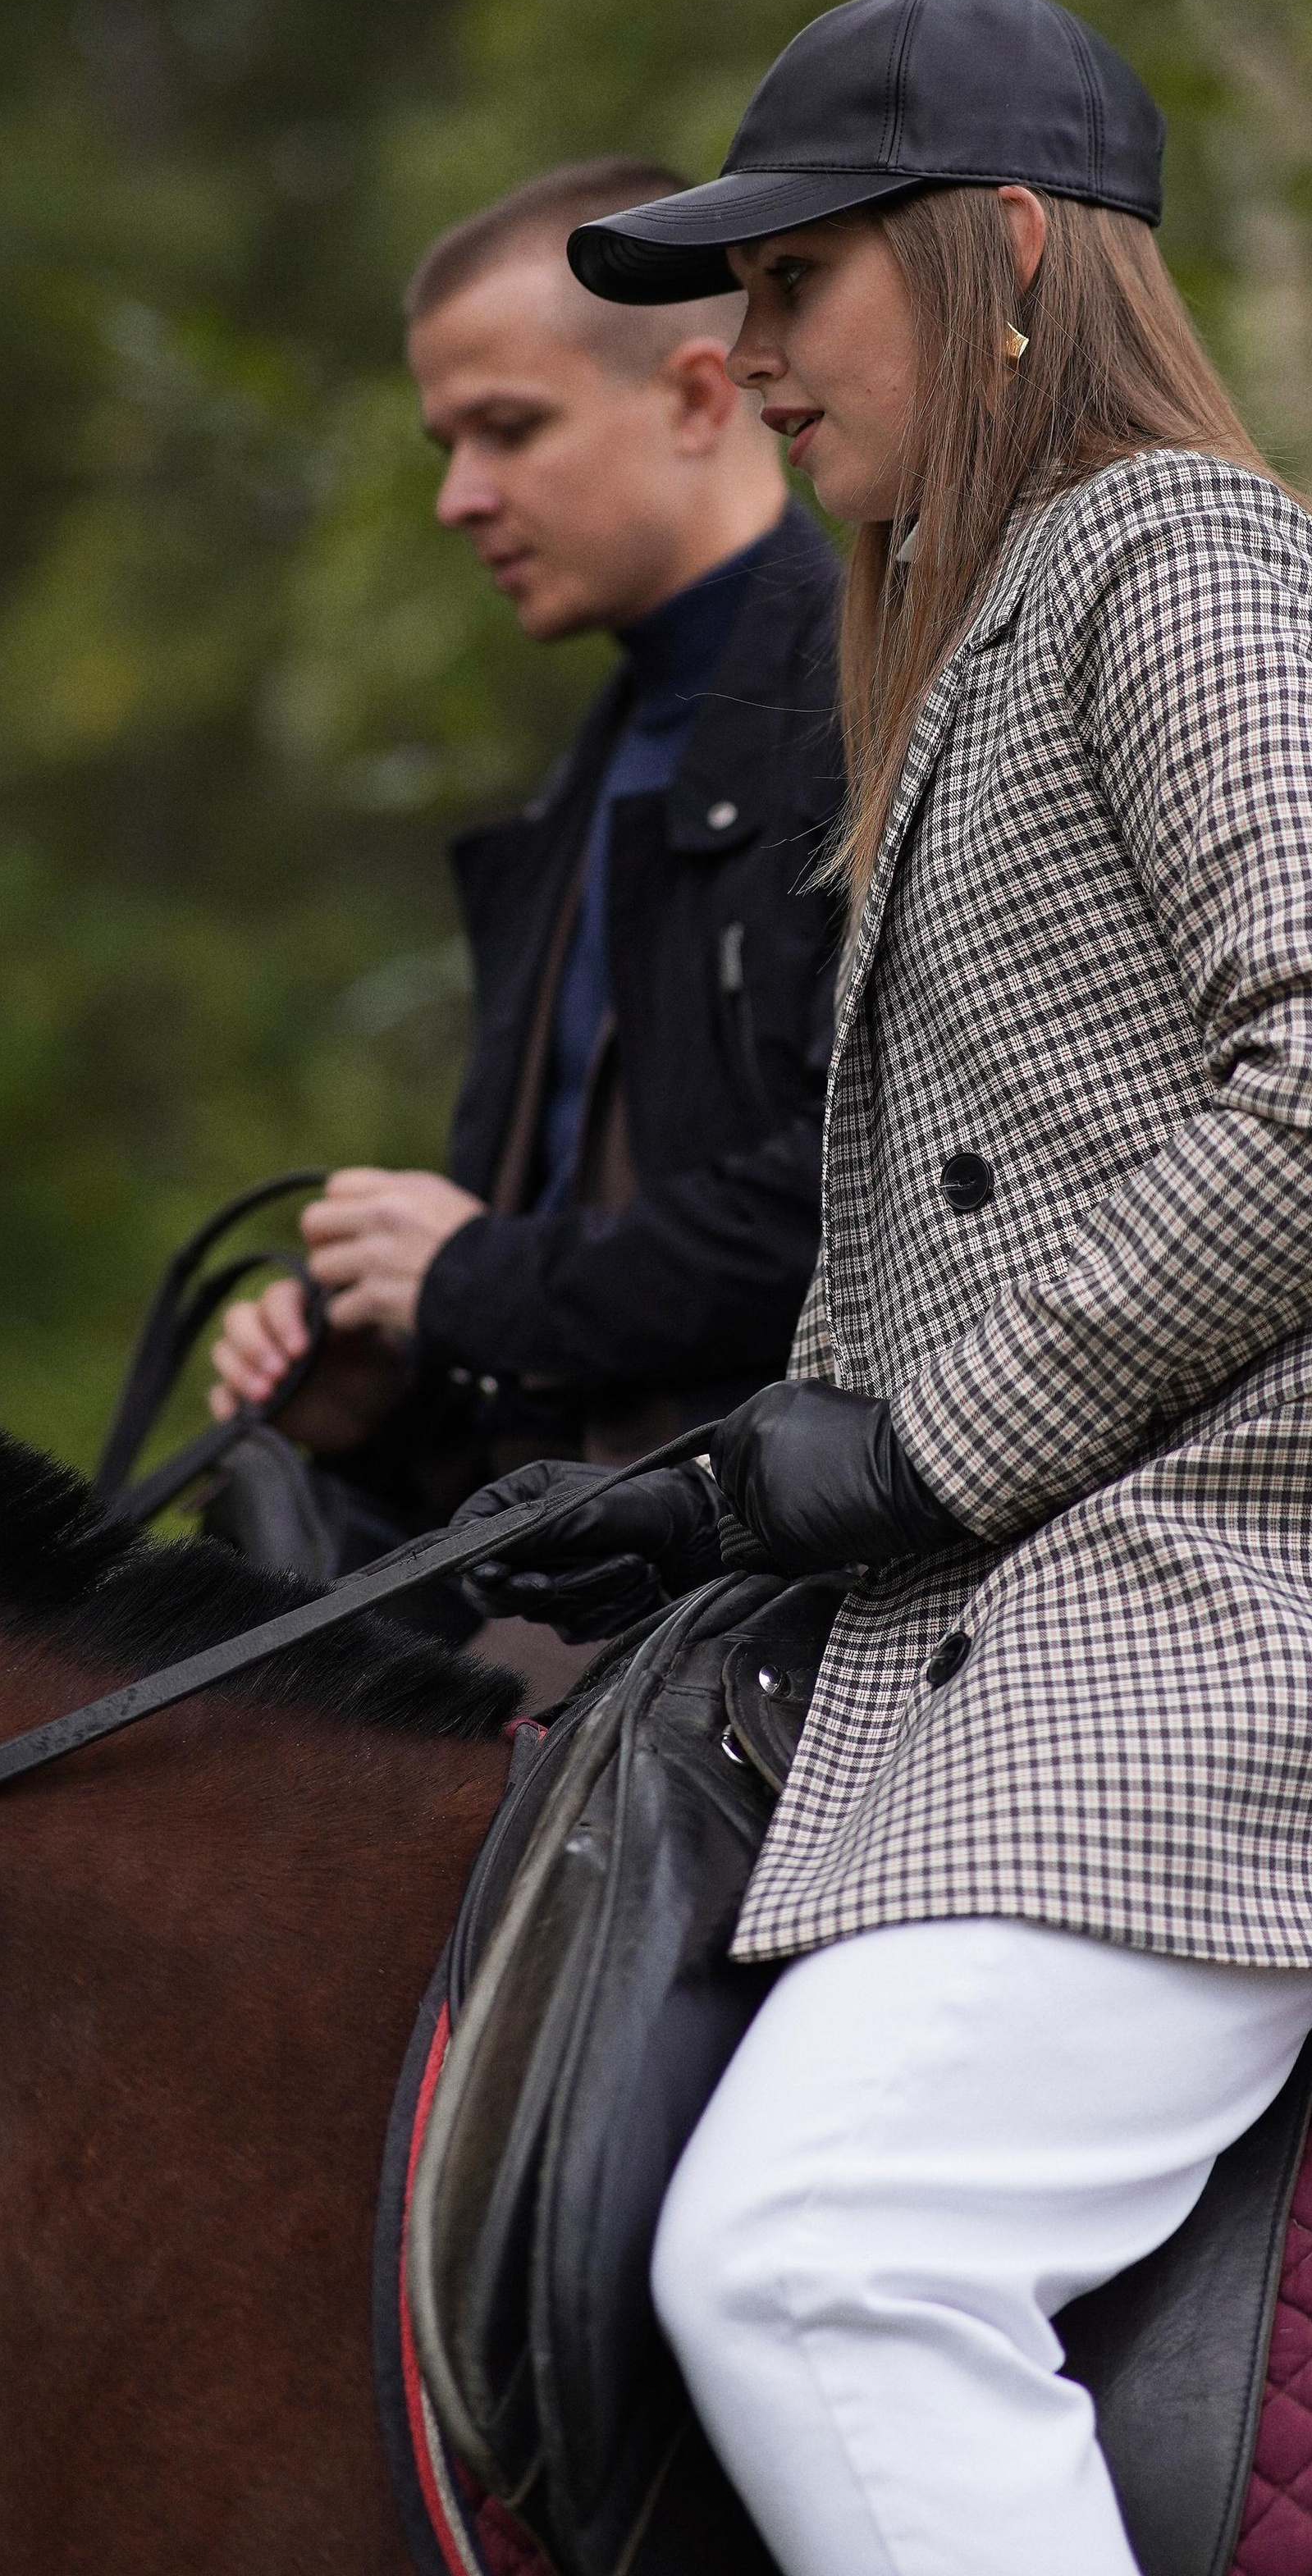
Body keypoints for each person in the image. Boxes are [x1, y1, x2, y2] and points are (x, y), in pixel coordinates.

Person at [465, 0, 1312, 2574]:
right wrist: (741, 1499)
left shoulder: (1173, 562)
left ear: (1011, 256)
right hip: (1079, 1608)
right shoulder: (984, 621)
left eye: (798, 284)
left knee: (829, 2261)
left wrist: (922, 1446)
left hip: (1270, 1619)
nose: (743, 357)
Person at [207, 159, 843, 1601]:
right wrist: (381, 1391)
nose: (457, 499)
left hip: (782, 1630)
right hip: (580, 1598)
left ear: (696, 399)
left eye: (508, 429)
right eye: (448, 441)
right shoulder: (596, 768)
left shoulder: (868, 700)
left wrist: (475, 1279)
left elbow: (867, 1212)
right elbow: (573, 1297)